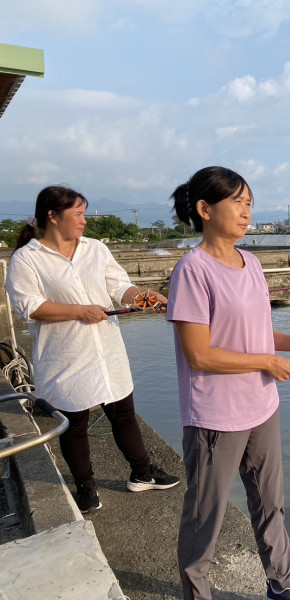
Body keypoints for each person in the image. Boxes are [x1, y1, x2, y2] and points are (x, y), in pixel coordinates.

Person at [168, 166, 290, 600]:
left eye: (249, 204)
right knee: (206, 517)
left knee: (270, 504)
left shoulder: (252, 262)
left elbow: (257, 332)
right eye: (237, 203)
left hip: (262, 406)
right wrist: (265, 360)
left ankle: (282, 585)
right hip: (215, 417)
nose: (246, 213)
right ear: (205, 209)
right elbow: (199, 354)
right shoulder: (192, 270)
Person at [5, 185, 180, 513]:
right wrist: (80, 311)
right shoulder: (27, 258)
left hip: (106, 351)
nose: (85, 220)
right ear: (53, 217)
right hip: (65, 355)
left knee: (124, 414)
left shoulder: (96, 249)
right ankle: (86, 487)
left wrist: (144, 298)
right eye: (79, 214)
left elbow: (118, 287)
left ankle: (142, 472)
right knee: (75, 422)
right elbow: (27, 306)